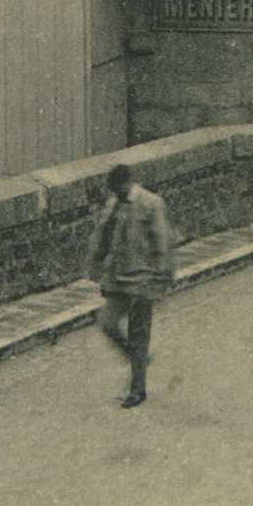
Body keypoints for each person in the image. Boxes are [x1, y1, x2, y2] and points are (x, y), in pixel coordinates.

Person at [85, 162, 174, 408]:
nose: (117, 194)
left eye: (120, 189)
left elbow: (163, 242)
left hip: (143, 280)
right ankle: (139, 360)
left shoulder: (150, 203)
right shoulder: (115, 203)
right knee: (108, 323)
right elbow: (103, 236)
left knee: (138, 335)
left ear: (127, 183)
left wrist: (163, 277)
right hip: (118, 278)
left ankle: (138, 390)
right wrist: (95, 264)